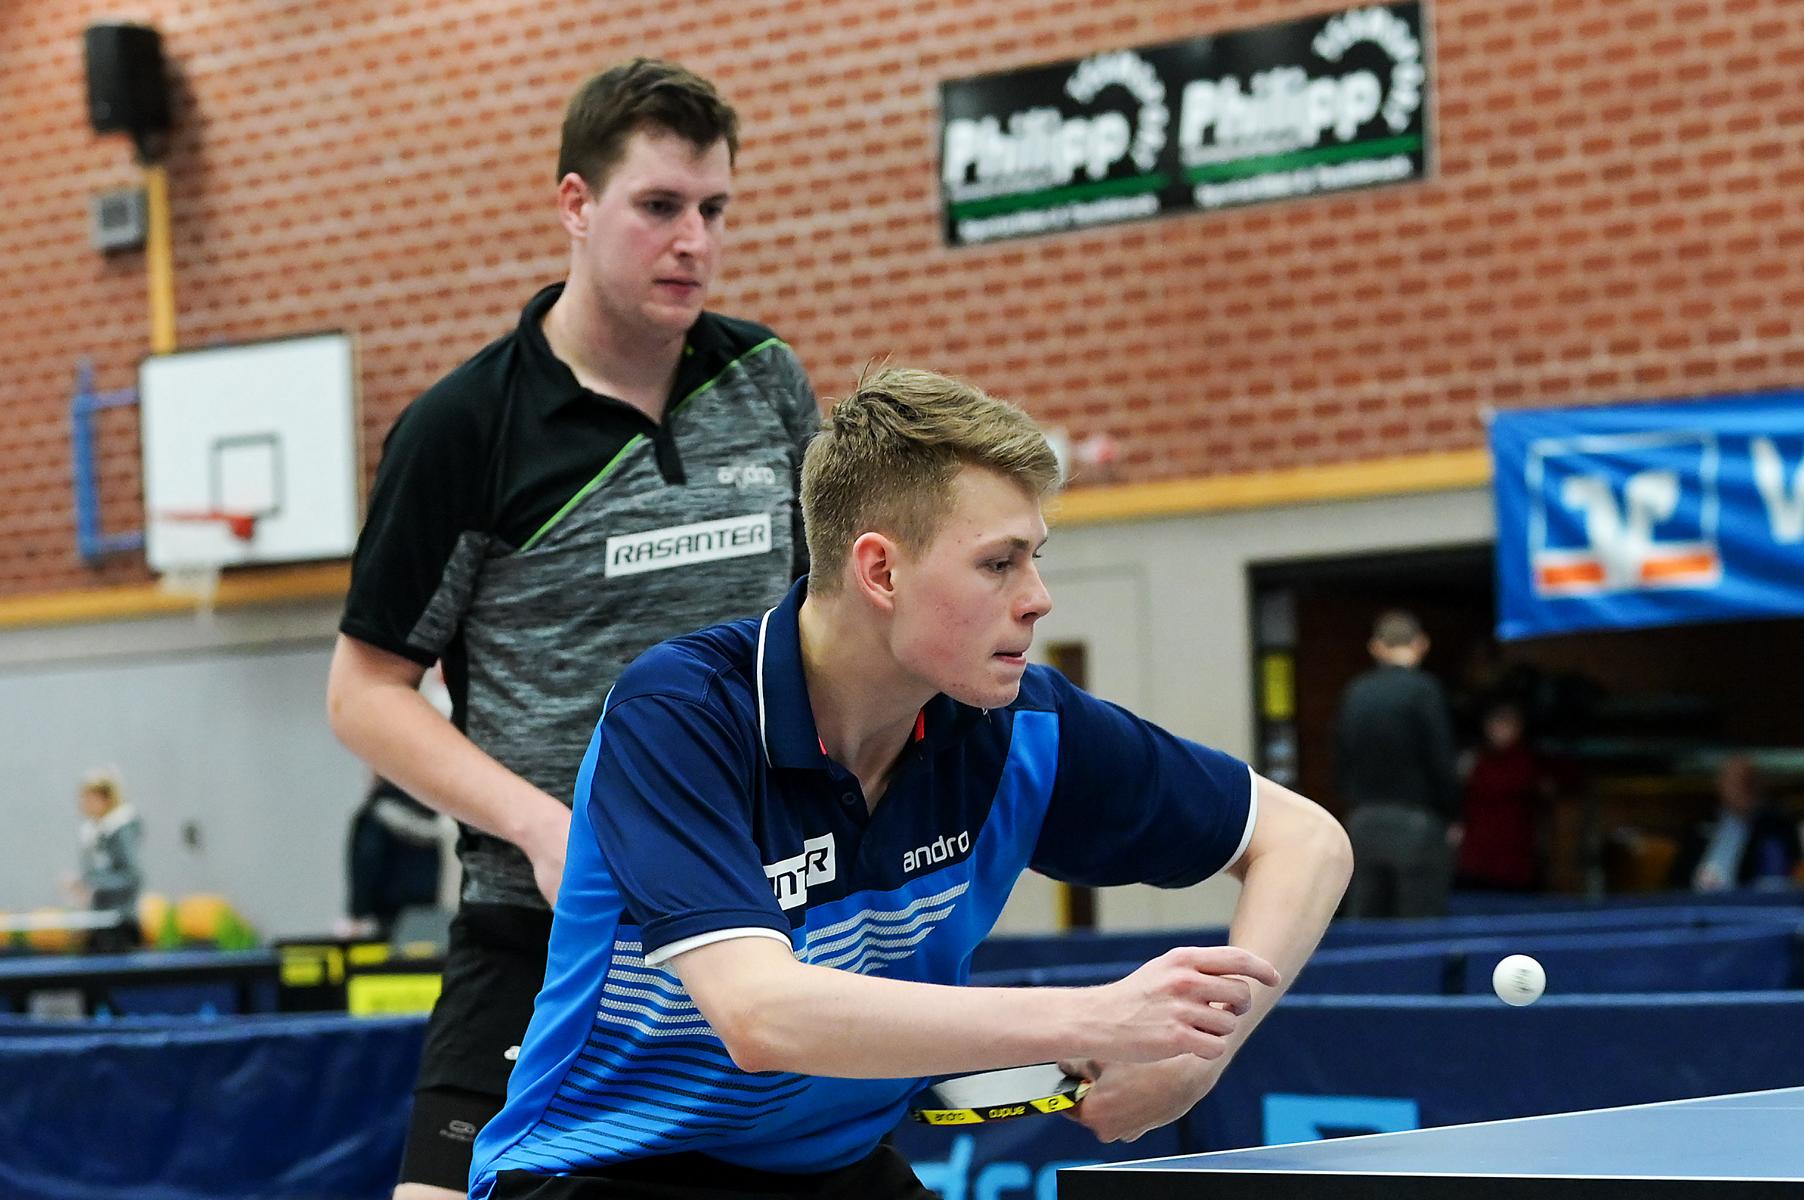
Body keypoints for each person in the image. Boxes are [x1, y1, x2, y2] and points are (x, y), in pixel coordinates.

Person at [468, 367, 1352, 1199]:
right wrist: (1099, 1018)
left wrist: (1198, 1055)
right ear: (881, 571)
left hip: (833, 1168)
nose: (1038, 597)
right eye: (1000, 563)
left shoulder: (1022, 726)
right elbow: (759, 1016)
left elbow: (1306, 842)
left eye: (1036, 558)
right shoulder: (680, 714)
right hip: (607, 1166)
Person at [325, 59, 818, 1200]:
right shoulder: (463, 429)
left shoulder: (766, 383)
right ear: (575, 205)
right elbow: (364, 693)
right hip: (542, 937)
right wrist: (545, 829)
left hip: (756, 919)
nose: (692, 241)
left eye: (714, 210)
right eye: (659, 206)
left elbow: (820, 624)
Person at [1332, 610, 1460, 918]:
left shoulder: (1355, 692)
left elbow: (1340, 758)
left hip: (1363, 822)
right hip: (1418, 823)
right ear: (1422, 644)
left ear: (1376, 647)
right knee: (1420, 927)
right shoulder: (1425, 690)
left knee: (1367, 924)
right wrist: (1453, 814)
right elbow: (1441, 759)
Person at [1455, 698, 1553, 892]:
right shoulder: (1472, 760)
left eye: (1508, 725)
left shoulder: (1528, 763)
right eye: (1497, 724)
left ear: (1519, 728)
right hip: (1476, 856)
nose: (1502, 731)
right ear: (1487, 726)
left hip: (1514, 859)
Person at [1675, 755, 1802, 892]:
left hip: (1743, 900)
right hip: (1693, 898)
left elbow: (1775, 880)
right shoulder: (1701, 823)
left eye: (1748, 781)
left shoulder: (1775, 827)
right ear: (1720, 785)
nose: (1742, 788)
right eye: (1734, 782)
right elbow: (1678, 876)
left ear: (1759, 785)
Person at [344, 776, 445, 940]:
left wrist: (357, 912)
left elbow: (367, 864)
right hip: (435, 909)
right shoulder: (438, 815)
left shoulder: (375, 814)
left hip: (391, 913)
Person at [68, 769, 143, 953]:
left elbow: (131, 876)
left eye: (89, 798)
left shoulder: (120, 831)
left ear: (106, 799)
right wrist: (83, 883)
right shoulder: (92, 832)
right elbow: (96, 874)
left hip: (119, 921)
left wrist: (94, 885)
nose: (84, 804)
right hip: (99, 919)